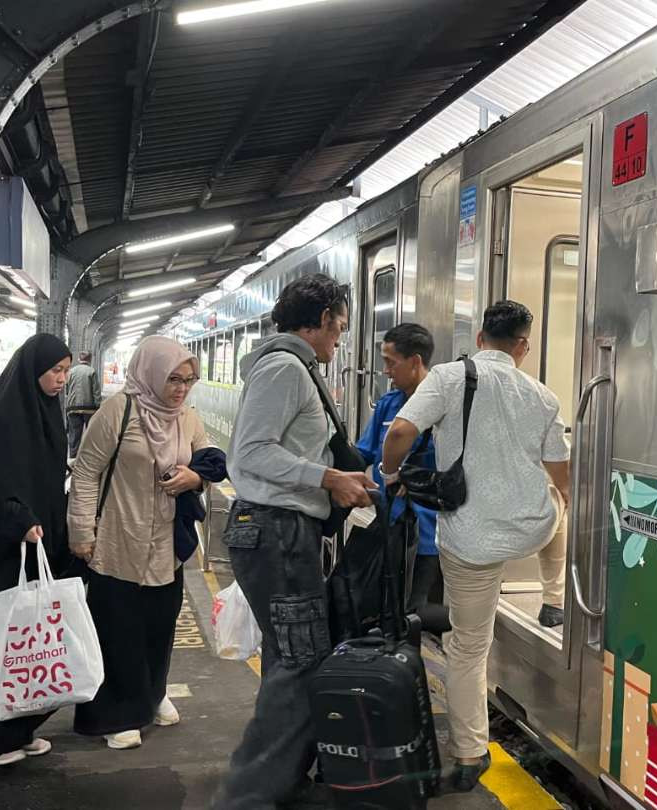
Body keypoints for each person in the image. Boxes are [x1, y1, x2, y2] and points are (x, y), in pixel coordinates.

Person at [381, 300, 570, 792]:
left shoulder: (448, 376)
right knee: (561, 511)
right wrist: (560, 501)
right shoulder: (543, 395)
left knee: (468, 646)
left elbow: (401, 431)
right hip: (532, 527)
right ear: (523, 346)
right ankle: (554, 598)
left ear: (481, 337)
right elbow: (562, 473)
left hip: (472, 539)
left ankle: (469, 754)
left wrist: (390, 473)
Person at [215, 274, 375, 810]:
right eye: (340, 328)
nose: (340, 340)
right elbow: (250, 454)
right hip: (276, 533)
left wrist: (348, 479)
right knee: (298, 663)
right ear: (324, 318)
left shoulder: (294, 368)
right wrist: (328, 480)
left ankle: (280, 779)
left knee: (294, 657)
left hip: (282, 532)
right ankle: (250, 795)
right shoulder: (285, 369)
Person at [68, 336, 211, 750]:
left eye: (189, 380)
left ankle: (152, 693)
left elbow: (208, 458)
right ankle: (116, 714)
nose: (181, 388)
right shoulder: (118, 411)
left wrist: (195, 477)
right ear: (150, 373)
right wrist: (82, 533)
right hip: (118, 539)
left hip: (168, 545)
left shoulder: (187, 417)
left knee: (159, 624)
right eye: (173, 379)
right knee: (118, 629)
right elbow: (86, 473)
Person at [0, 334, 72, 766]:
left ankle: (20, 727)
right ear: (33, 370)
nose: (62, 380)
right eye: (55, 371)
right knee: (6, 640)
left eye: (66, 371)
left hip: (38, 543)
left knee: (33, 643)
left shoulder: (44, 410)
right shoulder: (2, 415)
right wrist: (20, 520)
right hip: (6, 548)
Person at [356, 323, 449, 635]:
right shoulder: (388, 404)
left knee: (412, 611)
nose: (385, 371)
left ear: (416, 361)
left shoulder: (446, 407)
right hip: (388, 524)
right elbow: (364, 453)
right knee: (384, 605)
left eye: (391, 362)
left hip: (425, 533)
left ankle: (469, 621)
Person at [65, 350, 102, 457]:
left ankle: (72, 457)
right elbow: (96, 392)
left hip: (73, 407)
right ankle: (88, 458)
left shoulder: (71, 371)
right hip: (89, 409)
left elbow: (67, 390)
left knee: (74, 435)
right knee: (91, 434)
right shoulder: (92, 371)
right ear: (90, 359)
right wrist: (98, 407)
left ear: (79, 359)